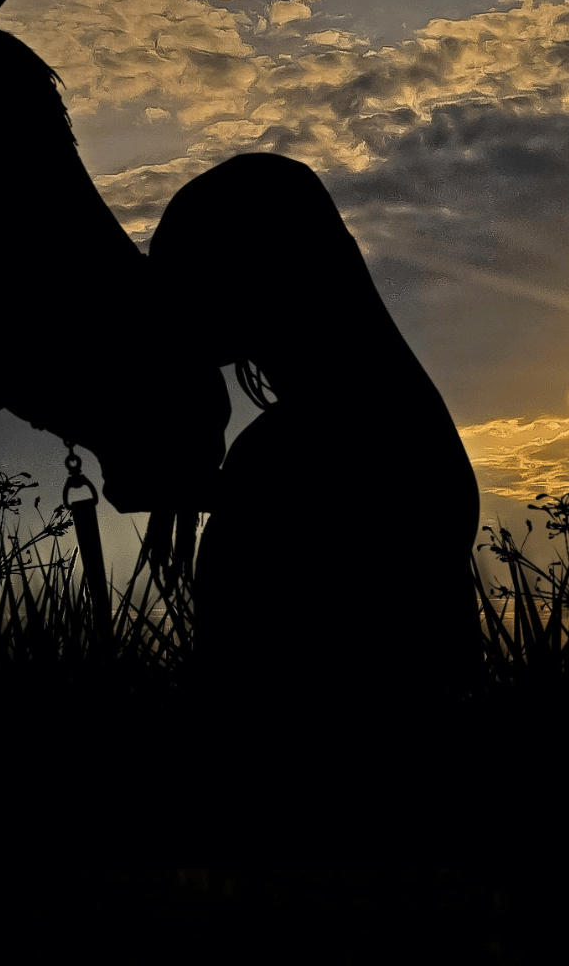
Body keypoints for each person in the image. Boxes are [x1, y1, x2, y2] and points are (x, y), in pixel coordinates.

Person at [149, 153, 482, 782]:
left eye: (189, 273)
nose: (169, 304)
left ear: (252, 272)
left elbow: (236, 697)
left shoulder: (289, 452)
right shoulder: (404, 419)